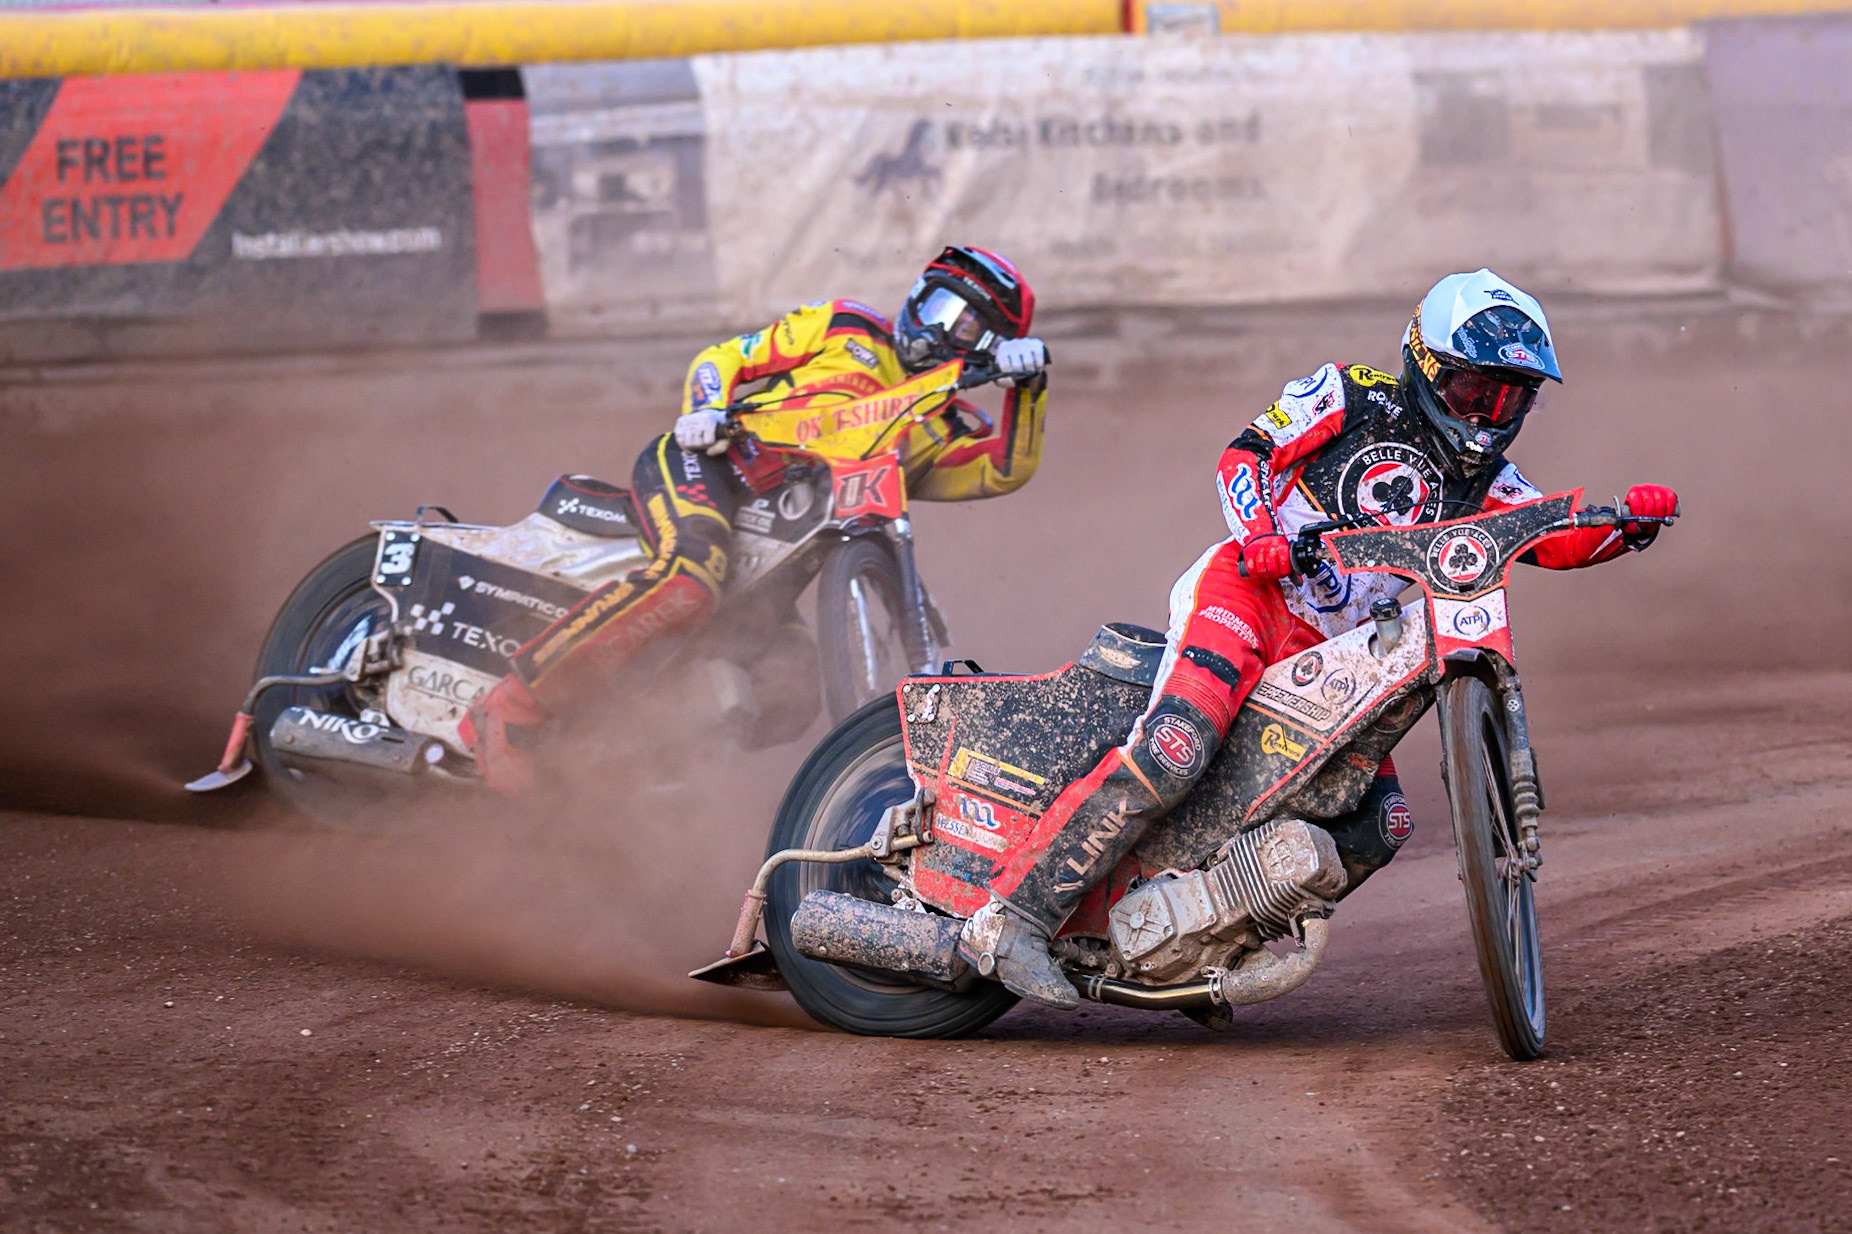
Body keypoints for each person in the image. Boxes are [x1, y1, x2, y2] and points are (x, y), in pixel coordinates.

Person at [959, 268, 1681, 1008]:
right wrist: (1264, 536)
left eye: (1511, 397)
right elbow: (1244, 456)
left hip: (1337, 657)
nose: (1490, 414)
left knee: (1381, 823)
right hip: (1253, 595)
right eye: (1475, 391)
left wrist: (1625, 528)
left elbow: (1545, 539)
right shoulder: (1351, 394)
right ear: (1427, 365)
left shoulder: (1489, 480)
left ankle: (1201, 941)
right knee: (1177, 744)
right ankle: (1012, 916)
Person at [460, 246, 1052, 793]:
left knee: (793, 690)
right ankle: (510, 706)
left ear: (990, 348)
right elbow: (727, 357)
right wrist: (705, 409)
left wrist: (1027, 389)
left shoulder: (940, 424)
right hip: (708, 462)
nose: (943, 327)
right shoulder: (846, 325)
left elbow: (1001, 470)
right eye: (942, 305)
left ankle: (604, 772)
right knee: (690, 580)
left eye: (969, 326)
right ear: (919, 295)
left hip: (772, 568)